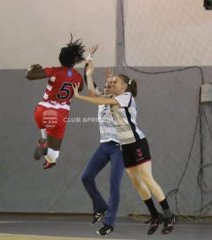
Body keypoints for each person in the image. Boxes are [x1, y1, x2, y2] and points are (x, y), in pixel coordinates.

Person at [73, 61, 177, 235]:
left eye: (115, 83)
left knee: (147, 179)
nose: (111, 84)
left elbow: (95, 97)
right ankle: (155, 215)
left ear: (123, 87)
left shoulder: (126, 97)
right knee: (137, 183)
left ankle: (169, 215)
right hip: (124, 146)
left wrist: (79, 96)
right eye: (110, 83)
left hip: (137, 143)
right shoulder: (109, 98)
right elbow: (96, 94)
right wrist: (89, 74)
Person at [81, 46, 124, 236]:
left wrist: (112, 81)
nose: (107, 87)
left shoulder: (122, 100)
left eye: (111, 85)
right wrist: (89, 59)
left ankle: (109, 222)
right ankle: (100, 206)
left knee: (114, 185)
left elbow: (116, 91)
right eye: (106, 85)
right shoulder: (100, 98)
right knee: (86, 177)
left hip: (120, 148)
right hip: (104, 145)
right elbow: (88, 79)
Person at [26, 34, 85, 169]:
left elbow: (29, 76)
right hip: (59, 114)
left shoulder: (54, 70)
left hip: (41, 110)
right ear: (74, 61)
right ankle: (47, 152)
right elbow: (80, 89)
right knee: (55, 154)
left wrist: (32, 68)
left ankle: (45, 147)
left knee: (49, 151)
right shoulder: (77, 77)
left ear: (60, 58)